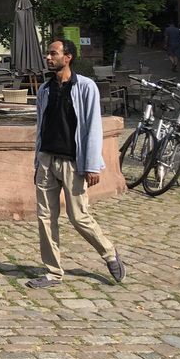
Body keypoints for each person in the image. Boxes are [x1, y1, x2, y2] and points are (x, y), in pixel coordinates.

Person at [27, 38, 125, 289]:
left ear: (68, 57)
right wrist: (37, 160)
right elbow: (41, 127)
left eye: (53, 53)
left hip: (73, 162)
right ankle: (52, 272)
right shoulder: (45, 90)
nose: (48, 58)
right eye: (47, 54)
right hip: (47, 159)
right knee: (45, 217)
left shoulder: (85, 87)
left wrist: (92, 164)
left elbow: (93, 127)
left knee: (79, 216)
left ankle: (109, 253)